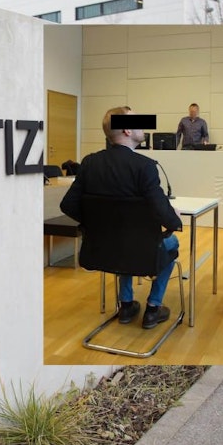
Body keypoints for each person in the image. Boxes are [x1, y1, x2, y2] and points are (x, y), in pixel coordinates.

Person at [60, 107, 183, 329]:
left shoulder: (89, 163)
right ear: (127, 130)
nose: (143, 125)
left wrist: (94, 225)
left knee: (124, 240)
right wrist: (174, 218)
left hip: (102, 248)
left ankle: (126, 305)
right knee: (171, 243)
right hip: (140, 250)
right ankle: (153, 307)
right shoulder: (145, 166)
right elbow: (162, 212)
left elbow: (68, 204)